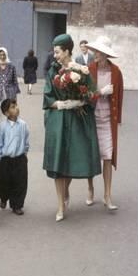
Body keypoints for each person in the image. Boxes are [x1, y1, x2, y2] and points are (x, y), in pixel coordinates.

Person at [43, 33, 101, 222]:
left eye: (58, 52)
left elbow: (92, 94)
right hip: (58, 120)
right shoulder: (52, 71)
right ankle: (60, 205)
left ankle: (66, 189)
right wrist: (61, 104)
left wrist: (79, 100)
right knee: (58, 163)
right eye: (54, 52)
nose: (55, 55)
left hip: (76, 120)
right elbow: (47, 96)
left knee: (71, 160)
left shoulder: (82, 71)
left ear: (67, 51)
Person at [84, 36, 124, 210]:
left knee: (107, 157)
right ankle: (90, 190)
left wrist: (118, 119)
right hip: (92, 119)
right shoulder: (89, 69)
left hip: (108, 121)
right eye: (95, 51)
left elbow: (120, 95)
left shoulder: (116, 72)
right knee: (92, 157)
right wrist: (100, 92)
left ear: (105, 54)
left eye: (98, 51)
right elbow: (84, 96)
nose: (95, 54)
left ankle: (107, 195)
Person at [0, 99, 29, 215]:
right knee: (3, 183)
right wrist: (1, 158)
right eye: (13, 107)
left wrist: (24, 154)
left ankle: (17, 205)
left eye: (16, 106)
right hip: (6, 160)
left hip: (20, 159)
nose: (17, 108)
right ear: (6, 113)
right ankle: (4, 198)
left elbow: (26, 142)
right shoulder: (2, 126)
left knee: (20, 183)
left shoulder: (23, 125)